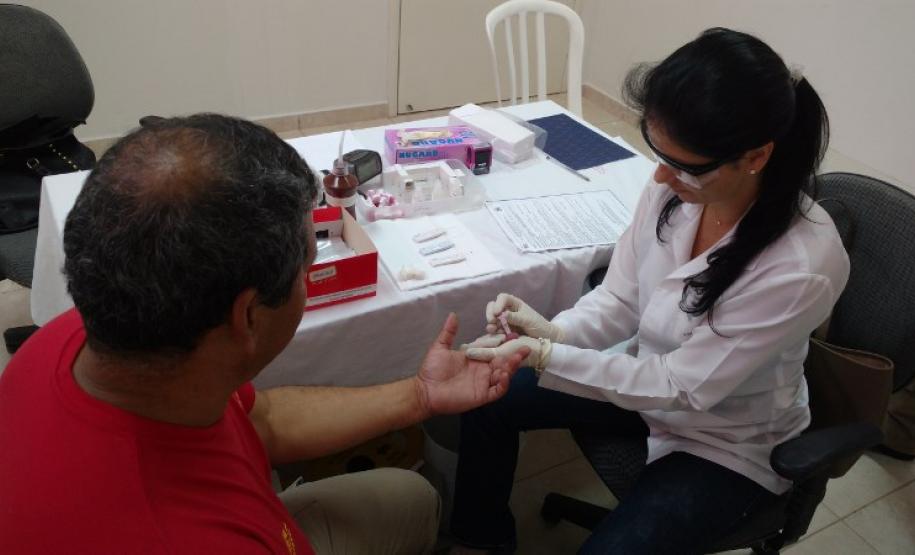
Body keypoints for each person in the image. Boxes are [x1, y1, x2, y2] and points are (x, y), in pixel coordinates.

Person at [0, 114, 528, 554]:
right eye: (307, 266)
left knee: (410, 498)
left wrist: (420, 395)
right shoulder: (187, 537)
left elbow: (260, 420)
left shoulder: (83, 335)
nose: (307, 279)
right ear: (248, 317)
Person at [452, 27, 850, 554]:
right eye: (658, 154)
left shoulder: (801, 266)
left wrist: (547, 355)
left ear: (755, 156)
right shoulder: (676, 189)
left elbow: (681, 386)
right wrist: (555, 331)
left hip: (726, 440)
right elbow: (621, 299)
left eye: (683, 165)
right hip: (646, 387)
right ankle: (481, 539)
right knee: (489, 393)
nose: (660, 176)